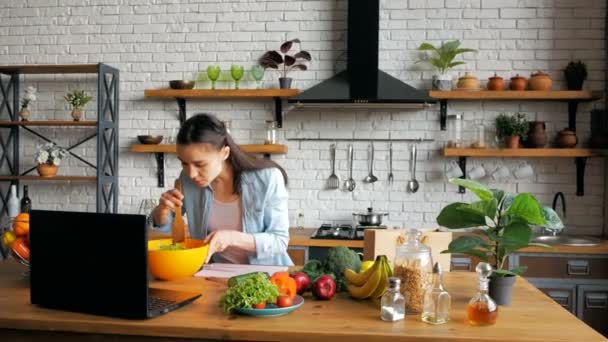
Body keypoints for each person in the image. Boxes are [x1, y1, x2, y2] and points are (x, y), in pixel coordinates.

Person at [149, 113, 292, 266]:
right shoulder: (187, 180)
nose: (191, 174)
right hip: (214, 275)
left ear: (224, 153)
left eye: (200, 164)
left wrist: (231, 238)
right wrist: (162, 212)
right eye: (184, 163)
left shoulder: (267, 178)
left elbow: (279, 241)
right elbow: (165, 226)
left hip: (267, 277)